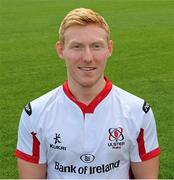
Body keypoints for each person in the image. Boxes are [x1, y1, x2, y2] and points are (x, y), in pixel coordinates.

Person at [15, 8, 160, 179]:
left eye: (96, 46)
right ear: (61, 50)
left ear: (109, 48)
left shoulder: (138, 111)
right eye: (77, 47)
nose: (88, 57)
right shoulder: (35, 113)